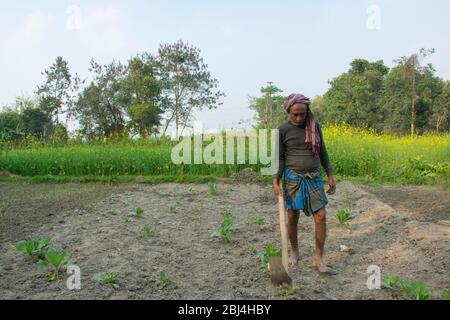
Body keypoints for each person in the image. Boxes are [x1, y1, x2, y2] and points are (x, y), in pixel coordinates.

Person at [272, 93, 337, 274]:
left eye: (302, 114)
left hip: (314, 177)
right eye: (295, 114)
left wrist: (330, 174)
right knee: (293, 217)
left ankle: (318, 258)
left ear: (307, 111)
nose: (299, 118)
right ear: (288, 112)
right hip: (292, 178)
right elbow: (280, 158)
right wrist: (275, 180)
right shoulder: (283, 130)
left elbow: (322, 152)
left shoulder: (315, 126)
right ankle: (295, 252)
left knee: (321, 216)